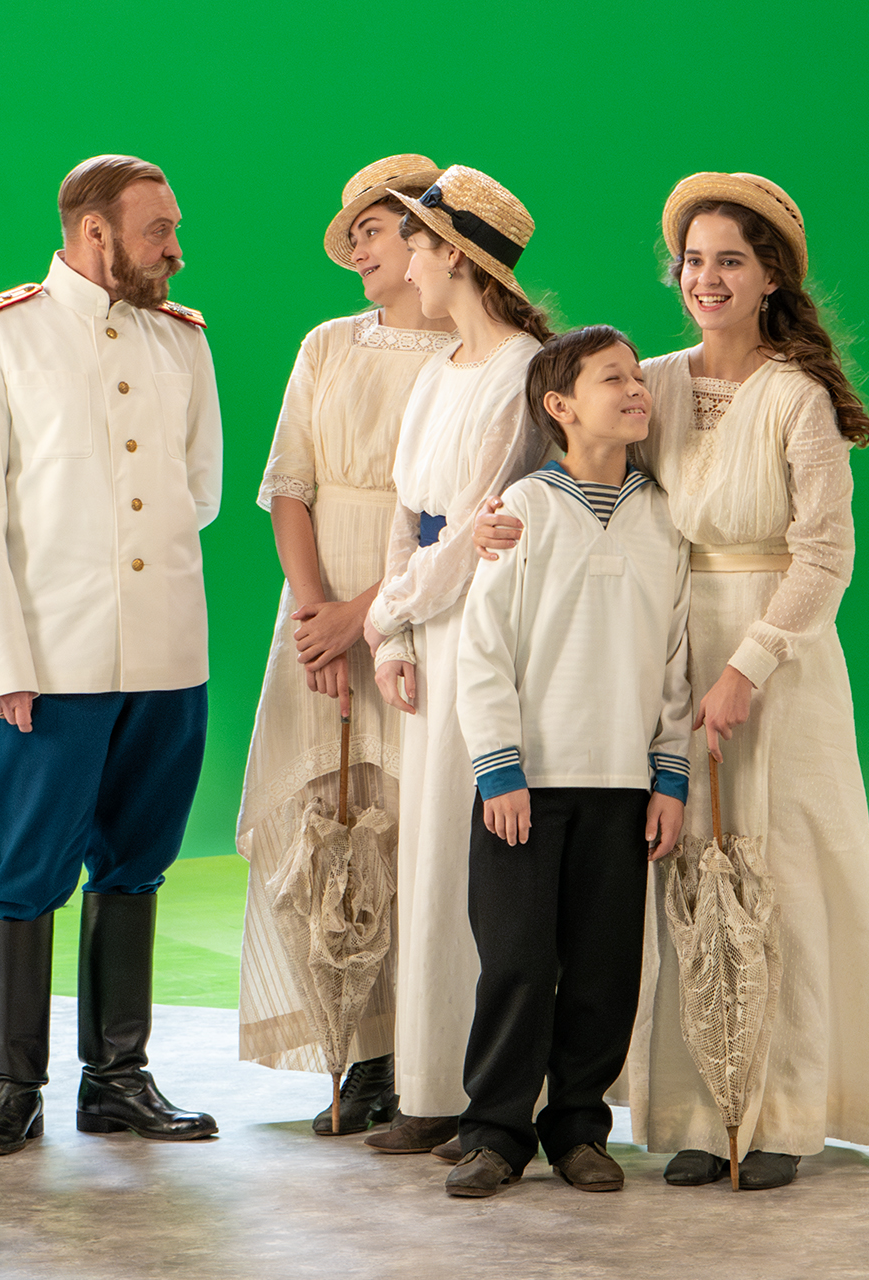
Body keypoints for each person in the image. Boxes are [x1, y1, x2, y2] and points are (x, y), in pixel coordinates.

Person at [475, 172, 869, 1189]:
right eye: (693, 260)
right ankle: (698, 1109)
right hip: (671, 647)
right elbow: (568, 464)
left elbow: (825, 555)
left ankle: (779, 1114)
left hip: (779, 657)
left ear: (772, 276)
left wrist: (749, 666)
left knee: (780, 879)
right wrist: (495, 523)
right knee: (685, 880)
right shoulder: (651, 380)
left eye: (731, 259)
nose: (707, 278)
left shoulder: (798, 398)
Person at [0, 154, 223, 1156]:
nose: (175, 250)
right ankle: (13, 1088)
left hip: (165, 653)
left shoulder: (182, 338)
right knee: (28, 866)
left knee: (136, 863)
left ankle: (116, 1080)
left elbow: (199, 489)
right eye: (158, 230)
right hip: (52, 662)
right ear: (95, 232)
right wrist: (0, 661)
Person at [234, 155, 458, 1136]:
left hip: (421, 610)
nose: (358, 250)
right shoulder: (326, 345)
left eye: (372, 230)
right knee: (331, 825)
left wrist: (371, 612)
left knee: (414, 824)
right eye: (354, 234)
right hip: (318, 619)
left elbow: (458, 515)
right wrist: (318, 615)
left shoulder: (472, 355)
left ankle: (421, 1049)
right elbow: (290, 485)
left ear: (424, 237)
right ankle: (355, 1047)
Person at [442, 326, 692, 1198]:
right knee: (516, 963)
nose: (635, 390)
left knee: (604, 969)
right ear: (560, 406)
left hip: (623, 786)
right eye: (611, 379)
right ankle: (494, 1133)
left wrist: (669, 776)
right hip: (528, 787)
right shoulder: (524, 510)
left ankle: (580, 1128)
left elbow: (676, 658)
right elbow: (484, 648)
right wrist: (499, 769)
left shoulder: (664, 517)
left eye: (637, 377)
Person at [357, 166, 553, 1154]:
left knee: (484, 870)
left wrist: (387, 611)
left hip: (485, 631)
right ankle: (430, 1085)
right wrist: (393, 633)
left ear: (458, 260)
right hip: (426, 627)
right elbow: (409, 514)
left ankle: (497, 1093)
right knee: (430, 860)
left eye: (420, 247)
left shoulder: (523, 374)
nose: (409, 264)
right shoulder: (437, 372)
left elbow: (481, 524)